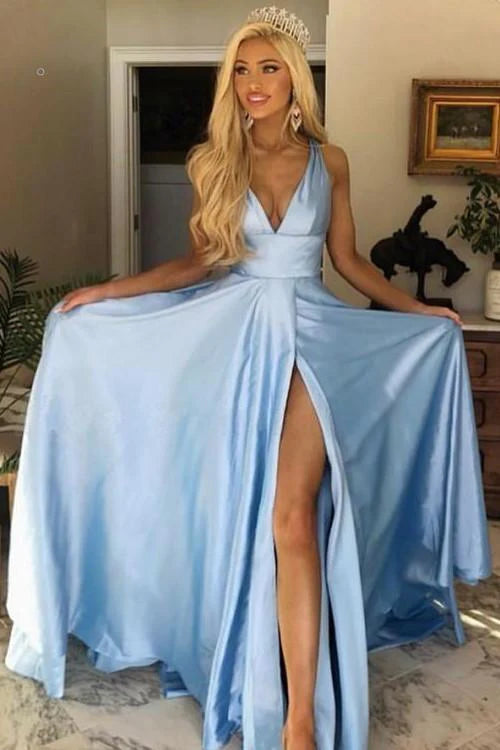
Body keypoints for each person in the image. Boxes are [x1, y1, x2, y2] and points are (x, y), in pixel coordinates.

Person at [5, 7, 491, 750]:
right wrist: (107, 292)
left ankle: (298, 720)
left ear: (295, 79)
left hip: (316, 338)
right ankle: (244, 644)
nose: (254, 82)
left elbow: (348, 262)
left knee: (291, 515)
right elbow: (201, 262)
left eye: (269, 68)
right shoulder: (214, 161)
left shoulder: (330, 162)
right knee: (240, 507)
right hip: (234, 336)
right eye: (241, 69)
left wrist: (420, 311)